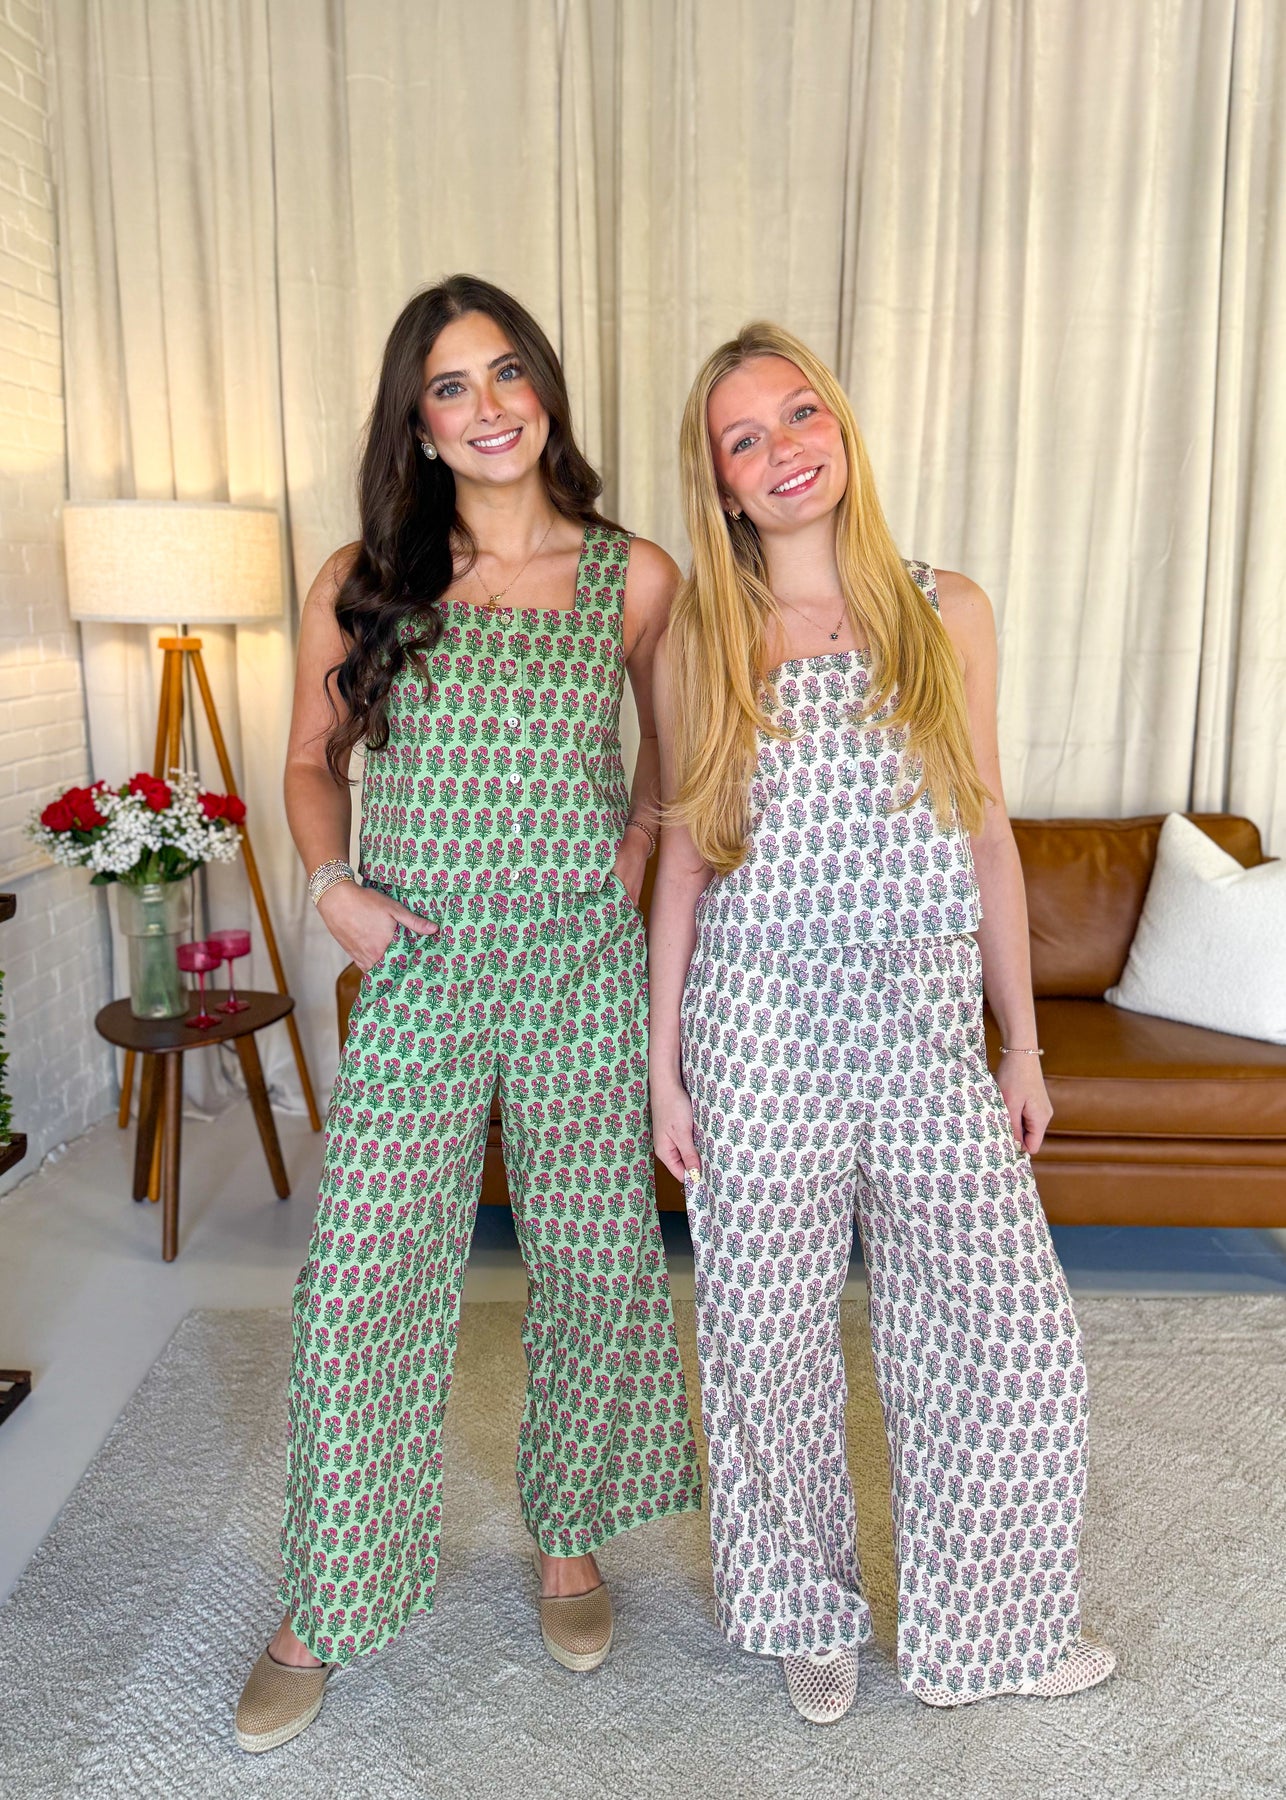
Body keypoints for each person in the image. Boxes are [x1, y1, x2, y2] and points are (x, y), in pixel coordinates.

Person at [236, 275, 701, 1753]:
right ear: (418, 423)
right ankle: (328, 1596)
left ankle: (569, 1540)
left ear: (543, 389)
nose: (488, 406)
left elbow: (673, 761)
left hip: (575, 971)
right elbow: (309, 759)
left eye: (507, 372)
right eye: (450, 386)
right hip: (420, 966)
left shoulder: (634, 576)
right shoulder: (364, 574)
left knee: (593, 1264)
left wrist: (627, 859)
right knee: (362, 1277)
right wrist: (332, 889)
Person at [649, 322, 1115, 1723]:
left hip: (921, 1021)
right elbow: (685, 858)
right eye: (744, 438)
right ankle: (805, 1609)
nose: (782, 450)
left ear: (840, 429)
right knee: (765, 1336)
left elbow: (985, 830)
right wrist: (665, 1069)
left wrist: (1019, 1045)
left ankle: (993, 1634)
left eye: (800, 415)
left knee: (1006, 1330)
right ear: (722, 484)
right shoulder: (703, 635)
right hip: (758, 1019)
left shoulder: (943, 607)